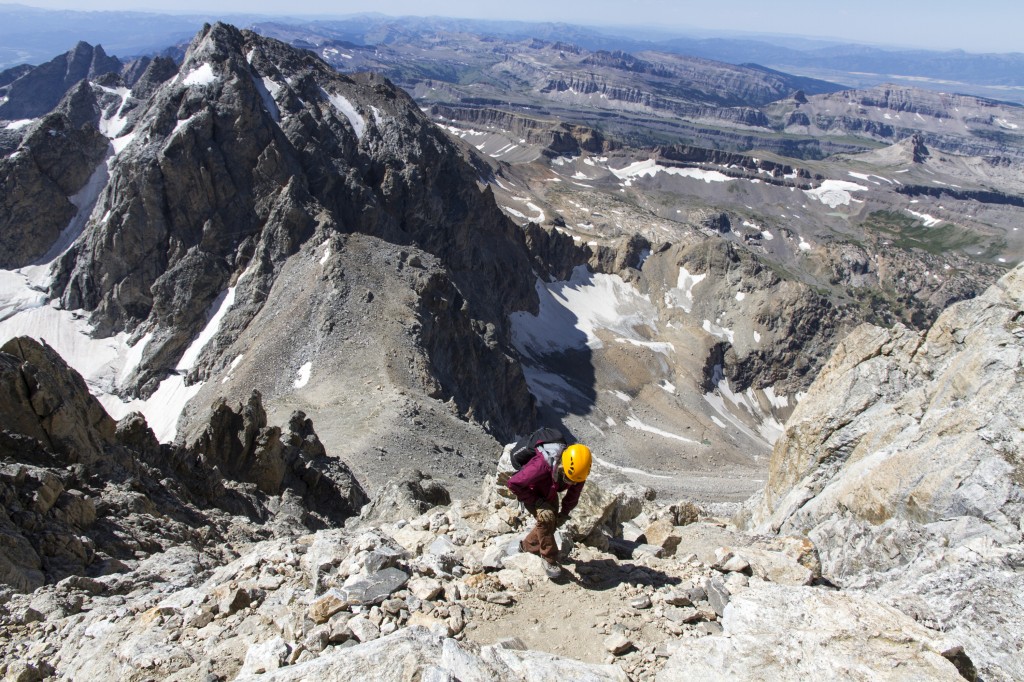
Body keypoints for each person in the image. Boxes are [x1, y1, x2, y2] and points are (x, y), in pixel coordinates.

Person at [507, 441, 592, 577]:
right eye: (568, 479)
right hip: (531, 490)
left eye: (574, 481)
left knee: (551, 523)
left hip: (549, 489)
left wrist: (564, 513)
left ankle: (526, 547)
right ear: (562, 465)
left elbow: (573, 494)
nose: (572, 483)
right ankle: (549, 559)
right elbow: (513, 483)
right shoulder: (541, 465)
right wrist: (538, 503)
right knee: (547, 519)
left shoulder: (578, 470)